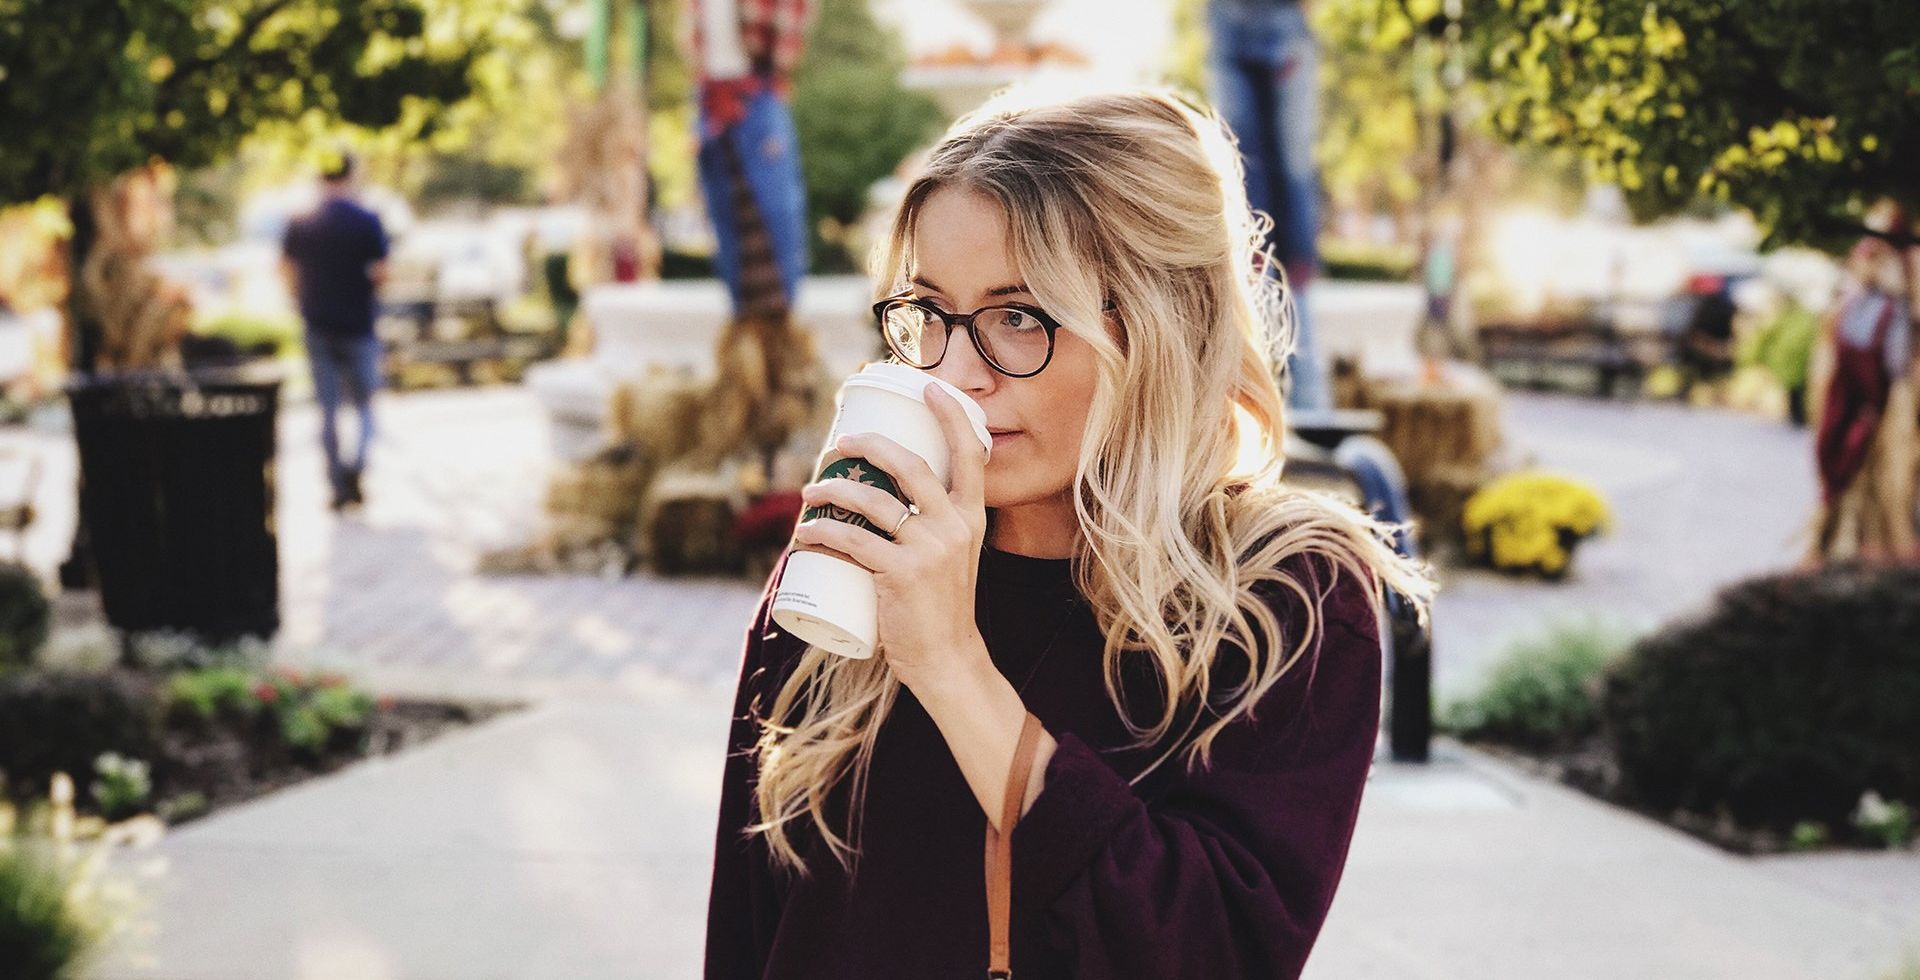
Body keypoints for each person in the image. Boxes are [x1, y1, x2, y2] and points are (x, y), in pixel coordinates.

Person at [704, 88, 1433, 979]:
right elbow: (748, 924)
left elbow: (1206, 953)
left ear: (1163, 327)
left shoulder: (1285, 600)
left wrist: (951, 666)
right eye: (928, 311)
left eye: (1020, 317)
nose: (954, 373)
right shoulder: (860, 548)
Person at [1209, 0, 1331, 412]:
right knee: (1241, 166)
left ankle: (1307, 397)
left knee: (1291, 167)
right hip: (1228, 22)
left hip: (1284, 26)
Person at [1809, 203, 1920, 563]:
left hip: (1886, 416)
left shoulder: (1898, 302)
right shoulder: (1855, 304)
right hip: (1856, 410)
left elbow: (1899, 364)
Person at [280, 152, 389, 512]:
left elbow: (286, 270)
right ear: (352, 175)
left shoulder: (302, 222)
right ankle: (357, 465)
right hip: (359, 326)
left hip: (317, 325)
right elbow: (381, 273)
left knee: (326, 411)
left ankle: (337, 483)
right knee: (365, 406)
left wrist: (300, 300)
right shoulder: (366, 221)